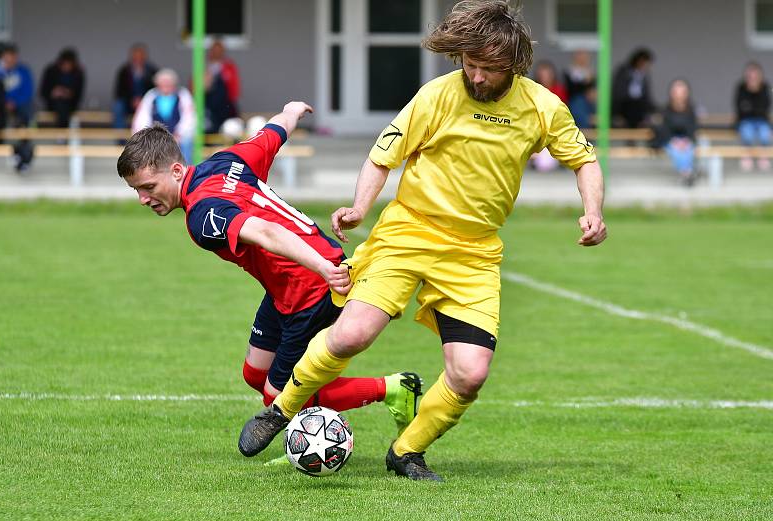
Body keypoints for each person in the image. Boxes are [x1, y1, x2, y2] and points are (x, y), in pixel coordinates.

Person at [238, 0, 607, 482]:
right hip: (407, 233)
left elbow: (585, 160)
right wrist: (359, 207)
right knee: (352, 334)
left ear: (514, 64)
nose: (475, 77)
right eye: (470, 65)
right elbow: (381, 157)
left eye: (489, 70)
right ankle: (281, 409)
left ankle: (406, 450)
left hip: (474, 253)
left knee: (470, 374)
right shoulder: (436, 95)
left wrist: (593, 212)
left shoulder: (542, 107)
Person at [116, 102, 422, 459]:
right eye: (136, 190)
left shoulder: (203, 213)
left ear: (177, 170)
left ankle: (391, 390)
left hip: (310, 286)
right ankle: (311, 435)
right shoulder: (225, 161)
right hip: (284, 288)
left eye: (148, 186)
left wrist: (323, 268)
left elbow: (266, 231)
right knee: (254, 373)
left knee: (278, 396)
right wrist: (290, 112)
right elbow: (272, 135)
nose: (142, 199)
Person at [131, 69, 196, 164]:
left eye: (168, 83)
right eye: (163, 82)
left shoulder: (183, 95)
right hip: (155, 137)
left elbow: (189, 118)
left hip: (178, 137)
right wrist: (150, 136)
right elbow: (142, 118)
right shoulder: (151, 96)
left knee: (187, 142)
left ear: (174, 84)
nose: (166, 85)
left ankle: (186, 170)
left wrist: (178, 135)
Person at [653, 79, 698, 187]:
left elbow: (693, 129)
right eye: (676, 91)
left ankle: (685, 174)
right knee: (676, 151)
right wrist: (674, 141)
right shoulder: (665, 110)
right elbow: (663, 129)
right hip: (670, 141)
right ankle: (687, 173)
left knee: (688, 150)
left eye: (681, 91)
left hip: (686, 141)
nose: (679, 95)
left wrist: (686, 141)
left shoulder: (691, 110)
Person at [0, 44, 34, 172]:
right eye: (6, 58)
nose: (9, 61)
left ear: (16, 57)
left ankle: (22, 152)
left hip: (20, 107)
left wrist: (14, 102)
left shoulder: (24, 71)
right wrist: (5, 102)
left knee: (24, 120)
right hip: (2, 106)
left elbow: (28, 92)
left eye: (12, 58)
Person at [734, 61, 771, 172]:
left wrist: (751, 107)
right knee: (747, 132)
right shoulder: (741, 87)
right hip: (746, 121)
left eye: (755, 75)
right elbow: (740, 107)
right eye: (750, 75)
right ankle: (747, 155)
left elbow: (765, 107)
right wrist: (752, 108)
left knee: (765, 132)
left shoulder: (765, 87)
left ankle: (763, 156)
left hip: (762, 121)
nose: (753, 78)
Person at [530, 60, 567, 172]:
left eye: (547, 74)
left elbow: (562, 112)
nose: (545, 77)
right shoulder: (532, 89)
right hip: (536, 126)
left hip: (555, 126)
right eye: (542, 74)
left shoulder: (559, 89)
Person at [112, 43, 157, 130]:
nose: (138, 58)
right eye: (136, 56)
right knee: (118, 107)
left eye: (140, 56)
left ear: (145, 56)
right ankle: (120, 139)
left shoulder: (152, 71)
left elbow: (155, 90)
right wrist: (132, 100)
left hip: (146, 102)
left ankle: (151, 138)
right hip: (128, 103)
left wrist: (143, 100)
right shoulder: (124, 70)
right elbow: (119, 91)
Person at [40, 48, 85, 128]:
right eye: (64, 64)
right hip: (53, 104)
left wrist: (69, 94)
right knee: (60, 105)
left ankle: (62, 134)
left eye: (69, 64)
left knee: (64, 107)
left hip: (71, 105)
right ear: (60, 63)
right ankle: (63, 132)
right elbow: (43, 92)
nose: (67, 67)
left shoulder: (78, 73)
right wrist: (53, 93)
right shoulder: (51, 71)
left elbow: (79, 95)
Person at [204, 39, 241, 133]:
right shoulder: (205, 67)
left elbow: (234, 87)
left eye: (219, 50)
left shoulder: (229, 66)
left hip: (225, 105)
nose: (216, 53)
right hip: (209, 106)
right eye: (214, 50)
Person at [612, 48, 655, 128]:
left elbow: (647, 98)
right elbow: (617, 94)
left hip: (639, 109)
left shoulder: (644, 76)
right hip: (624, 107)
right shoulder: (624, 72)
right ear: (640, 61)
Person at [564, 50, 596, 128]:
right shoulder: (569, 72)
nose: (582, 58)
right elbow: (572, 90)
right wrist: (586, 83)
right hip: (576, 102)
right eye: (580, 55)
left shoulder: (590, 72)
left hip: (590, 103)